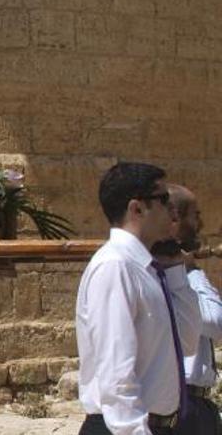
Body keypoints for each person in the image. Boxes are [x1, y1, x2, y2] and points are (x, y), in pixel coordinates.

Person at [77, 162, 202, 435]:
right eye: (164, 199)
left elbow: (187, 342)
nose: (173, 210)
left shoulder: (147, 269)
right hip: (123, 428)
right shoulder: (116, 267)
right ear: (137, 208)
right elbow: (116, 371)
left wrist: (176, 269)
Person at [162, 185, 222, 435]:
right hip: (180, 401)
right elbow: (214, 320)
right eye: (194, 215)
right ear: (174, 219)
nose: (201, 223)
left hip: (195, 403)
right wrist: (192, 270)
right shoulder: (168, 273)